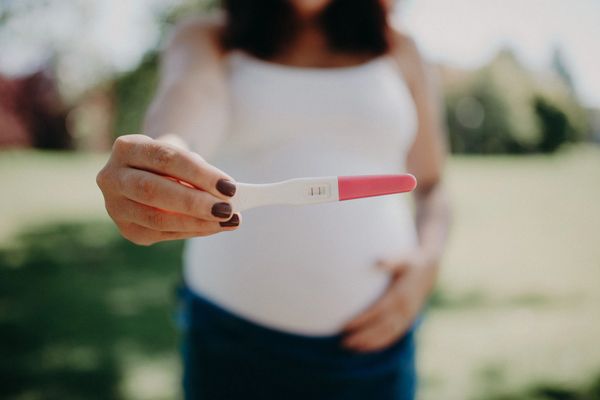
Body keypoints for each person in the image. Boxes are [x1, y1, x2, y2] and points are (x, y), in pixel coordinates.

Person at [96, 0, 451, 399]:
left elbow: (433, 184)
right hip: (231, 345)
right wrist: (164, 156)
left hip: (375, 346)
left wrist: (428, 261)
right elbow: (191, 97)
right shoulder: (208, 36)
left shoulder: (399, 46)